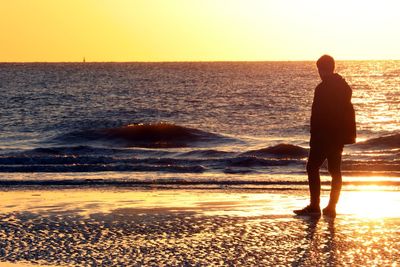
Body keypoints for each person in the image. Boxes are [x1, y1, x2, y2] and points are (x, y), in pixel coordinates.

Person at [294, 55, 356, 218]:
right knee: (335, 170)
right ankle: (331, 207)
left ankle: (315, 205)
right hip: (338, 137)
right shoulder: (344, 87)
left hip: (324, 136)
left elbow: (319, 116)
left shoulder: (323, 88)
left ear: (322, 69)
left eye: (319, 70)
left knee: (312, 167)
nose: (319, 73)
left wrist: (315, 136)